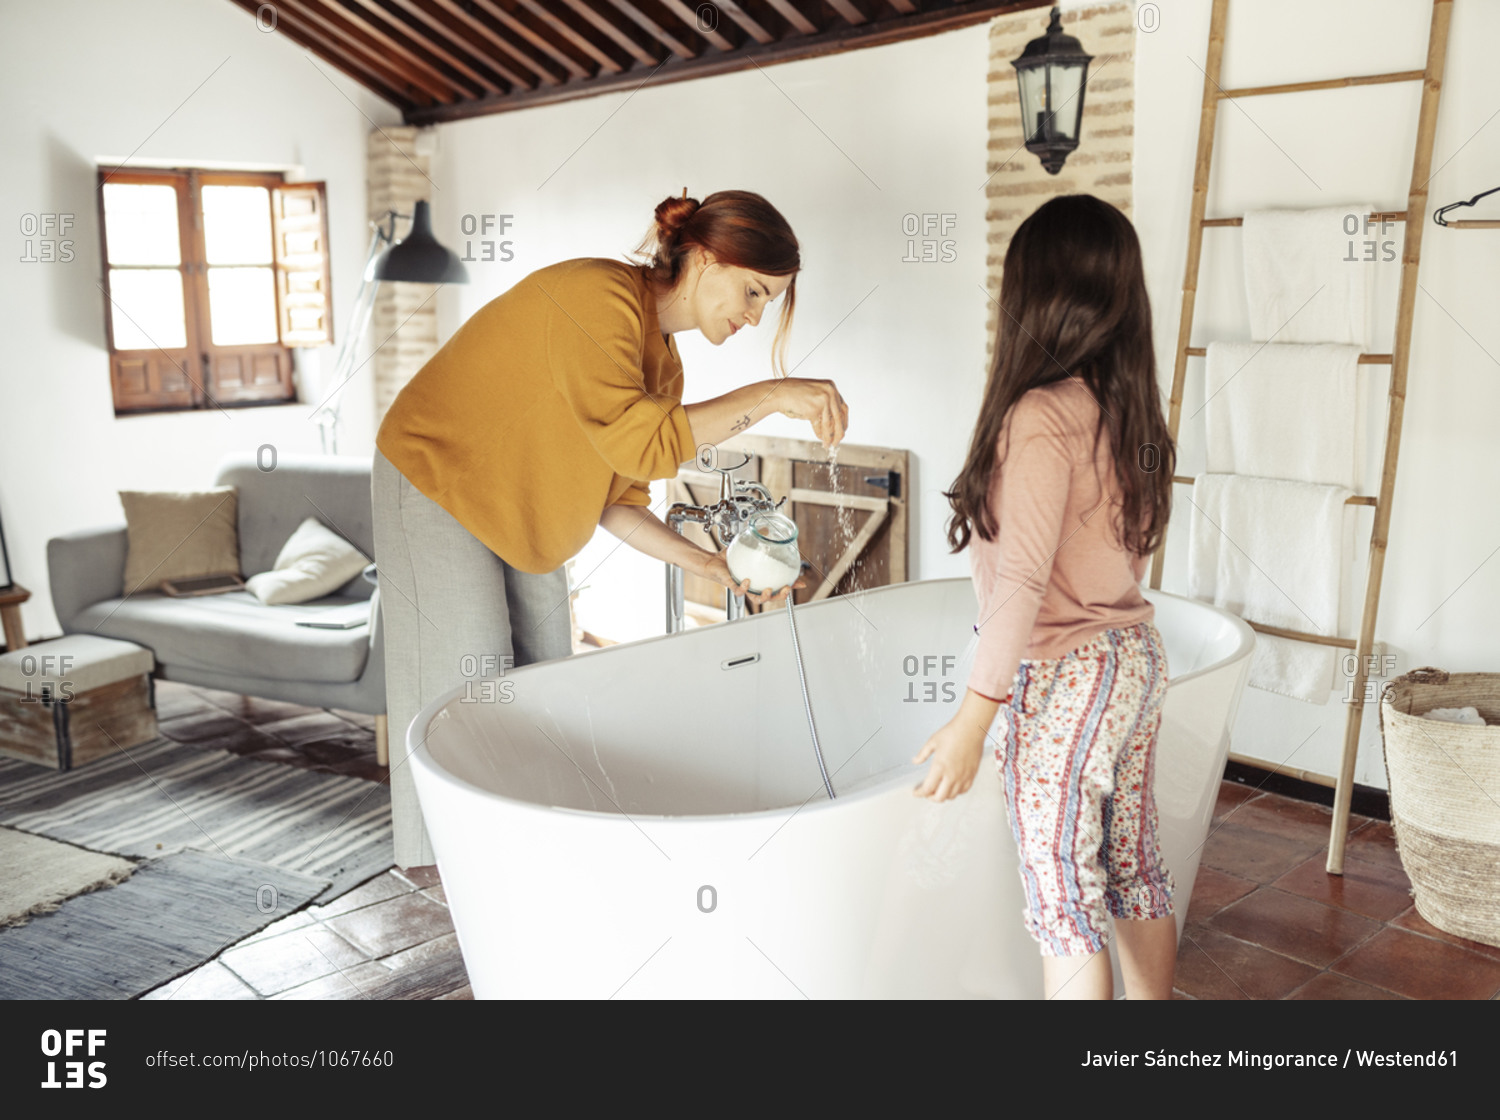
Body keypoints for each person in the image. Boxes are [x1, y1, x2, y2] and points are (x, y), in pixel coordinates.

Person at [373, 190, 848, 867]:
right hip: (435, 477)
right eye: (752, 292)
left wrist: (708, 566)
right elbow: (641, 443)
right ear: (708, 260)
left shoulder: (664, 365)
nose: (753, 315)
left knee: (548, 685)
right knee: (465, 698)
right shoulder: (598, 295)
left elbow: (619, 497)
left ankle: (525, 865)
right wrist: (772, 396)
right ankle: (438, 888)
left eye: (766, 304)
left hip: (522, 513)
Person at [912, 194, 1177, 1000]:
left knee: (1062, 893)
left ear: (1034, 296)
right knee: (1133, 864)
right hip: (1133, 660)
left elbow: (1022, 584)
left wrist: (972, 718)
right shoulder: (1125, 408)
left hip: (1066, 677)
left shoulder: (1039, 415)